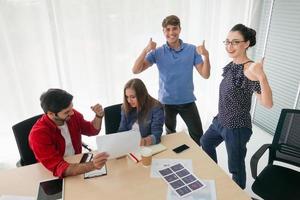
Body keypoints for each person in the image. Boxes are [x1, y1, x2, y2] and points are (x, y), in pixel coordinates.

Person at [200, 24, 273, 189]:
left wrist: (261, 76)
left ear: (246, 44)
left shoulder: (250, 69)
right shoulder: (233, 65)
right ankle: (215, 178)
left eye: (235, 42)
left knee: (236, 168)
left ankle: (237, 194)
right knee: (206, 142)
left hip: (237, 128)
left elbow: (267, 104)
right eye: (227, 42)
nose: (229, 46)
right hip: (221, 121)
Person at [132, 15, 211, 145]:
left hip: (187, 101)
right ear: (163, 31)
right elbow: (136, 70)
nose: (171, 33)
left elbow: (205, 74)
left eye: (174, 28)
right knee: (170, 136)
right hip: (166, 103)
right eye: (167, 29)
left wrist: (206, 56)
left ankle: (197, 161)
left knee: (198, 135)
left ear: (180, 29)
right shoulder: (157, 52)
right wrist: (146, 50)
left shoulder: (191, 50)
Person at [29, 88, 109, 178]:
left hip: (76, 162)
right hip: (53, 174)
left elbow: (91, 130)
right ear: (51, 114)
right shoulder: (38, 135)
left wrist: (98, 116)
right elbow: (59, 167)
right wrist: (92, 165)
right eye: (66, 112)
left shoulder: (72, 115)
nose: (72, 113)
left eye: (71, 108)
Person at [118, 78, 164, 146]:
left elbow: (156, 135)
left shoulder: (156, 107)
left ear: (141, 95)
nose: (129, 101)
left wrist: (143, 141)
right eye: (127, 97)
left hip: (146, 147)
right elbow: (122, 130)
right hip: (128, 145)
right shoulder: (125, 107)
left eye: (133, 97)